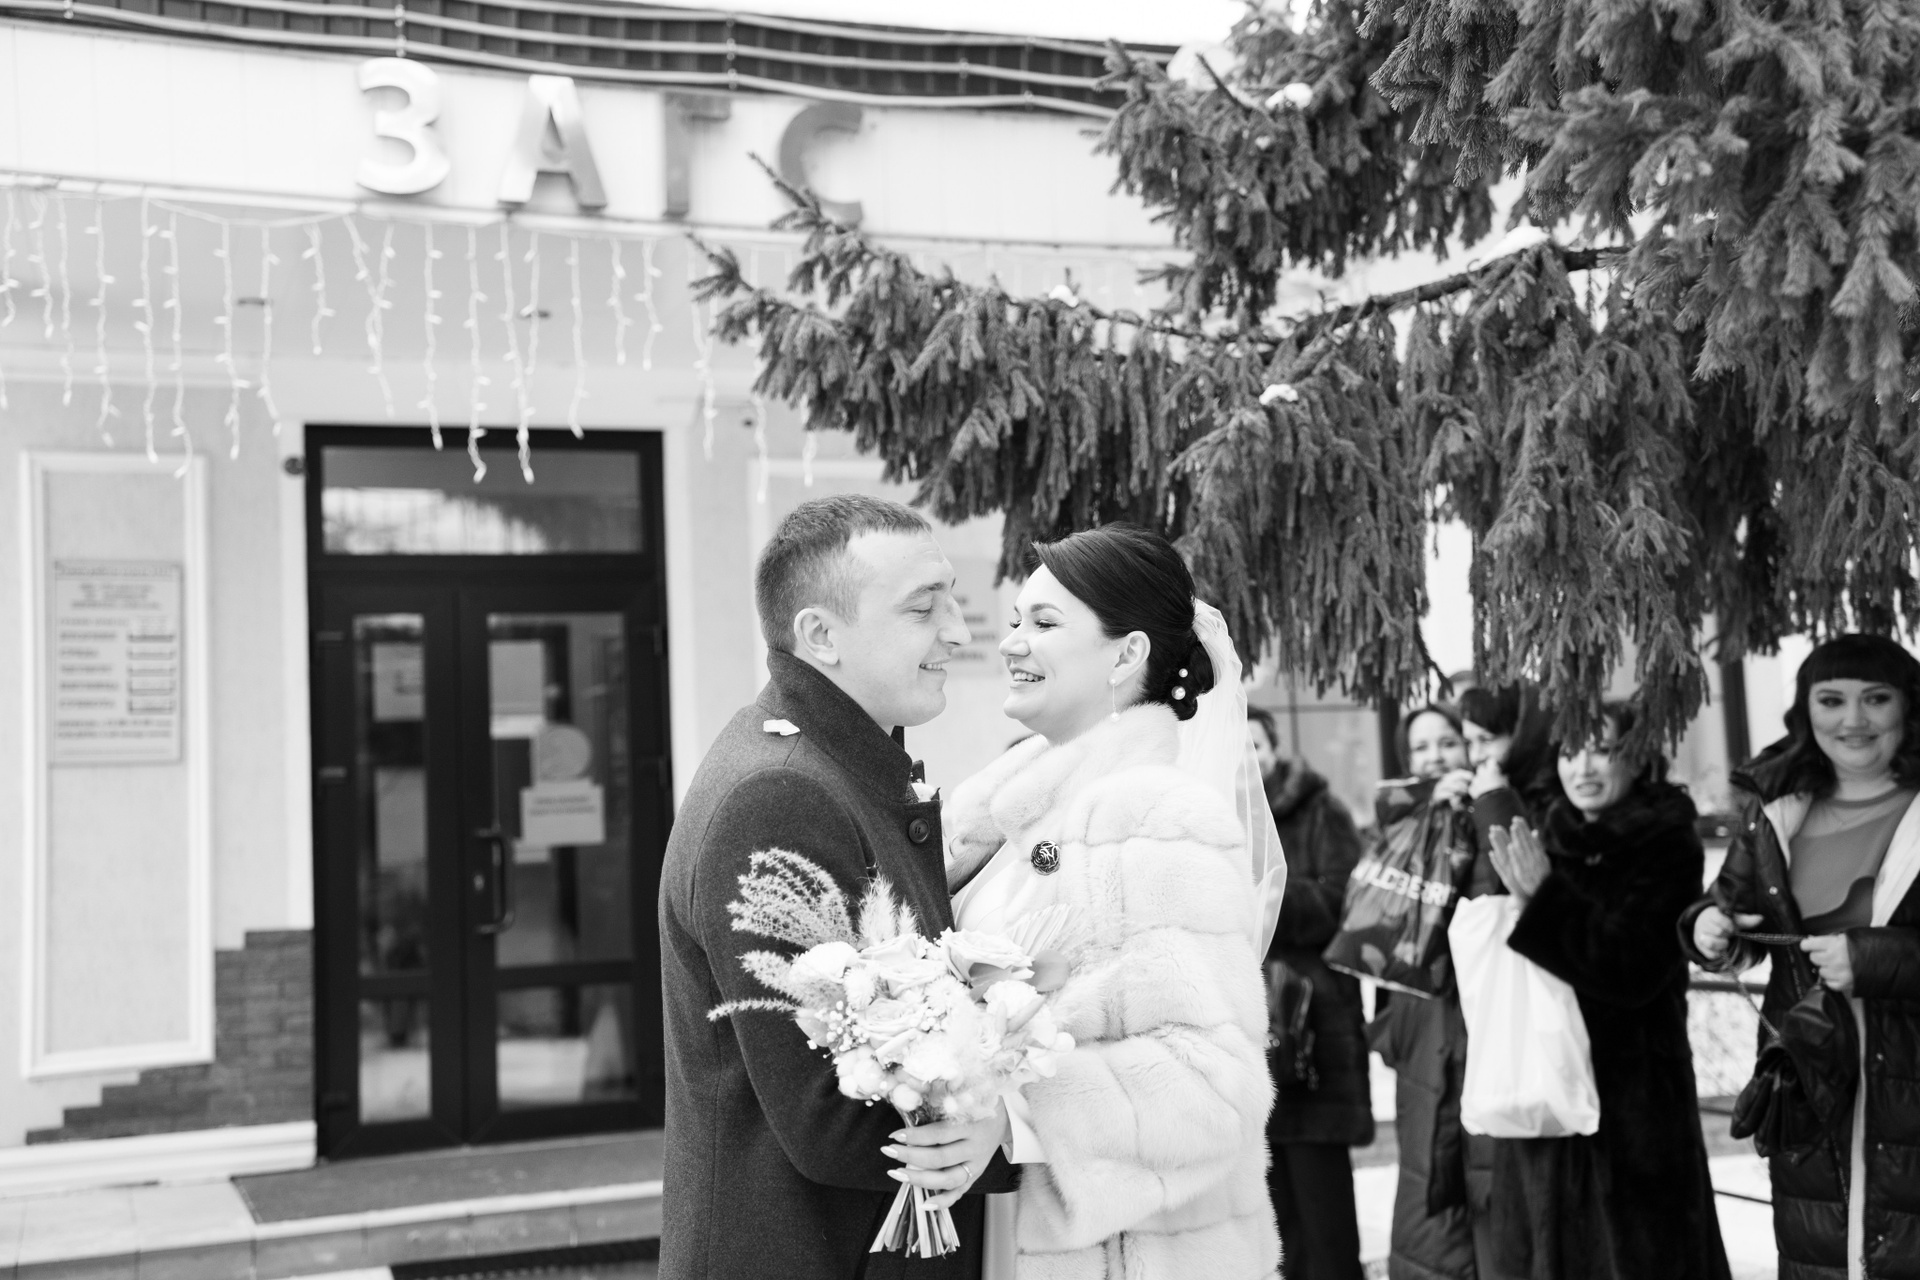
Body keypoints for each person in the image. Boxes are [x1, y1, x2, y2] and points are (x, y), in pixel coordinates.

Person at [658, 495, 1016, 1280]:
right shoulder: (779, 795)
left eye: (953, 599)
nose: (958, 631)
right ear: (821, 635)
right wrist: (1019, 1129)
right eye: (923, 607)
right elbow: (829, 1114)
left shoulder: (833, 767)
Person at [939, 523, 1280, 1279]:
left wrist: (1013, 1120)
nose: (1011, 643)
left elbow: (1211, 1088)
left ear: (1126, 656)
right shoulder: (1000, 821)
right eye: (1017, 620)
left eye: (1044, 623)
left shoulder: (1155, 818)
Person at [1683, 634, 1920, 1280]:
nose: (1853, 719)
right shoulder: (1776, 808)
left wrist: (1872, 959)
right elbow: (1732, 909)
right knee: (1820, 1256)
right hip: (1808, 1077)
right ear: (1805, 710)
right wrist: (1710, 930)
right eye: (1832, 700)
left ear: (1908, 705)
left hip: (1908, 1073)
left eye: (1876, 699)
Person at [1480, 702, 1731, 1280]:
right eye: (1569, 752)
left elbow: (1632, 969)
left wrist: (1544, 899)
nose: (1583, 768)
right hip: (1546, 1083)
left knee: (1643, 1253)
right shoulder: (1548, 836)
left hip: (1635, 1096)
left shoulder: (1667, 842)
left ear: (1637, 758)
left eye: (1602, 750)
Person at [1246, 707, 1371, 1280]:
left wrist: (1265, 898)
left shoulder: (1322, 811)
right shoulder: (1211, 815)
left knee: (1326, 1221)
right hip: (1247, 1033)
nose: (1246, 758)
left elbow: (1346, 903)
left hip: (1314, 1033)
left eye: (1255, 745)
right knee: (1277, 1229)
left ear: (1275, 749)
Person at [1367, 704, 1482, 1280]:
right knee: (1427, 1171)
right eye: (1421, 747)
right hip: (1422, 1021)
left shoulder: (1492, 809)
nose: (1435, 757)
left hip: (1479, 1016)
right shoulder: (1399, 820)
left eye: (1447, 742)